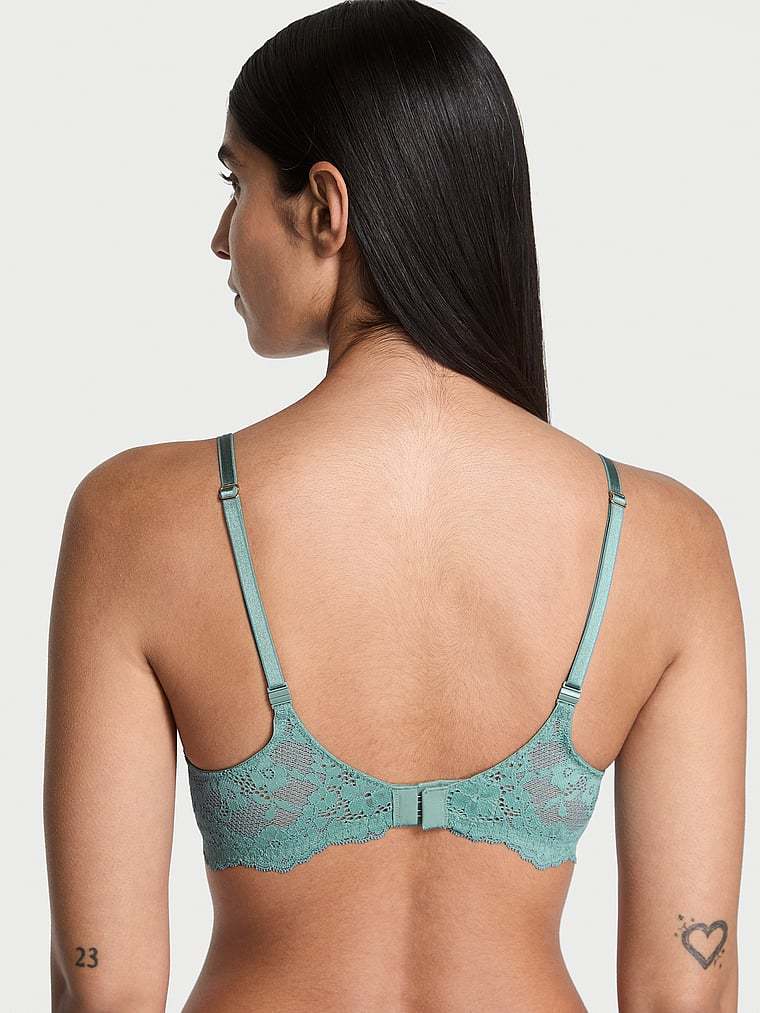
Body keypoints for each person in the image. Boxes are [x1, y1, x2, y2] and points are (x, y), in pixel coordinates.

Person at [44, 2, 746, 1010]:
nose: (220, 238)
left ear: (325, 207)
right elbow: (686, 996)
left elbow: (103, 992)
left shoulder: (138, 518)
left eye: (235, 183)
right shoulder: (664, 538)